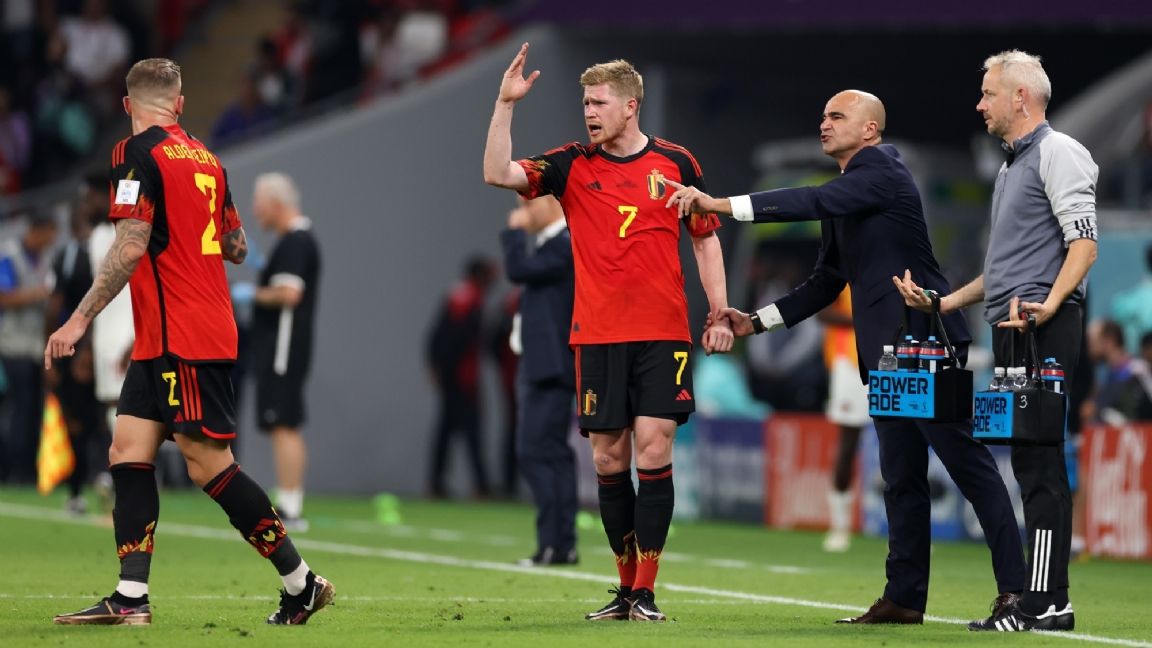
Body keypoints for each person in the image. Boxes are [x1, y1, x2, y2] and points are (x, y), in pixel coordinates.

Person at [666, 89, 1026, 626]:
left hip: (926, 344)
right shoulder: (847, 193)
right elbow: (825, 282)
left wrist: (718, 205)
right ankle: (904, 598)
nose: (825, 123)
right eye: (823, 115)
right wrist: (755, 321)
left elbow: (810, 201)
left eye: (838, 116)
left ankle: (1015, 592)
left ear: (870, 130)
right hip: (889, 357)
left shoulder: (882, 171)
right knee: (900, 477)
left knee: (966, 465)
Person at [44, 58, 333, 626]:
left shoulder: (133, 153)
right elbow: (237, 246)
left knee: (207, 465)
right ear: (178, 104)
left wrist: (77, 320)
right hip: (167, 337)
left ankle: (301, 583)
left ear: (127, 105)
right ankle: (131, 597)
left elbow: (131, 245)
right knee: (127, 450)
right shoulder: (208, 158)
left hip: (186, 335)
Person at [483, 43, 734, 622]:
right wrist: (505, 103)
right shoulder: (571, 164)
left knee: (654, 446)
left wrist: (719, 310)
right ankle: (624, 589)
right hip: (596, 334)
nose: (589, 113)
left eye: (599, 103)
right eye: (585, 103)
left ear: (630, 106)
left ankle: (645, 589)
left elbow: (704, 238)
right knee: (608, 460)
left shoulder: (677, 163)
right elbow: (497, 173)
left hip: (662, 332)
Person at [893, 50, 1097, 632]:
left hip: (1040, 326)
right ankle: (1046, 600)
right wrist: (944, 303)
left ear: (1020, 97)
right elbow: (1002, 273)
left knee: (1039, 462)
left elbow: (1085, 244)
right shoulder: (1011, 168)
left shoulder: (1059, 152)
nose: (980, 104)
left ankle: (1045, 602)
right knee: (1030, 461)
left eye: (988, 93)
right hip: (1016, 325)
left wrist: (1050, 305)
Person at [499, 195, 579, 566]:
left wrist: (514, 235)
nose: (521, 212)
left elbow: (518, 270)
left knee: (535, 452)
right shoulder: (554, 245)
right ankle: (561, 545)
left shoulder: (564, 244)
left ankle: (553, 544)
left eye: (527, 204)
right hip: (546, 364)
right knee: (554, 454)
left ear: (550, 203)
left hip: (549, 368)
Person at [250, 172, 322, 532]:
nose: (255, 211)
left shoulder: (296, 240)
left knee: (284, 424)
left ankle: (291, 507)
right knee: (283, 423)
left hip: (283, 348)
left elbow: (289, 294)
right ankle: (290, 501)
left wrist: (251, 294)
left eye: (259, 203)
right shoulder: (291, 241)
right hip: (281, 348)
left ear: (276, 203)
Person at [426, 255, 496, 499]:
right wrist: (449, 371)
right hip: (462, 377)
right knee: (470, 431)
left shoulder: (456, 294)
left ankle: (437, 483)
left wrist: (436, 366)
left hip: (453, 376)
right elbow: (458, 338)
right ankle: (480, 486)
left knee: (447, 431)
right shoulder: (470, 298)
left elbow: (436, 334)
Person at [0, 210, 57, 484]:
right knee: (19, 410)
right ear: (38, 230)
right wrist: (38, 295)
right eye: (49, 234)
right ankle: (14, 470)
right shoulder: (10, 255)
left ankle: (29, 470)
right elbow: (4, 297)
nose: (51, 240)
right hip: (12, 346)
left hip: (35, 347)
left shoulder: (43, 260)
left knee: (34, 410)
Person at [818, 287, 870, 553]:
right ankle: (839, 527)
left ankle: (909, 530)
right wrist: (865, 321)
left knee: (901, 444)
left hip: (893, 360)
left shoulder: (901, 268)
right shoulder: (844, 272)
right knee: (848, 443)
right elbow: (822, 310)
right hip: (849, 363)